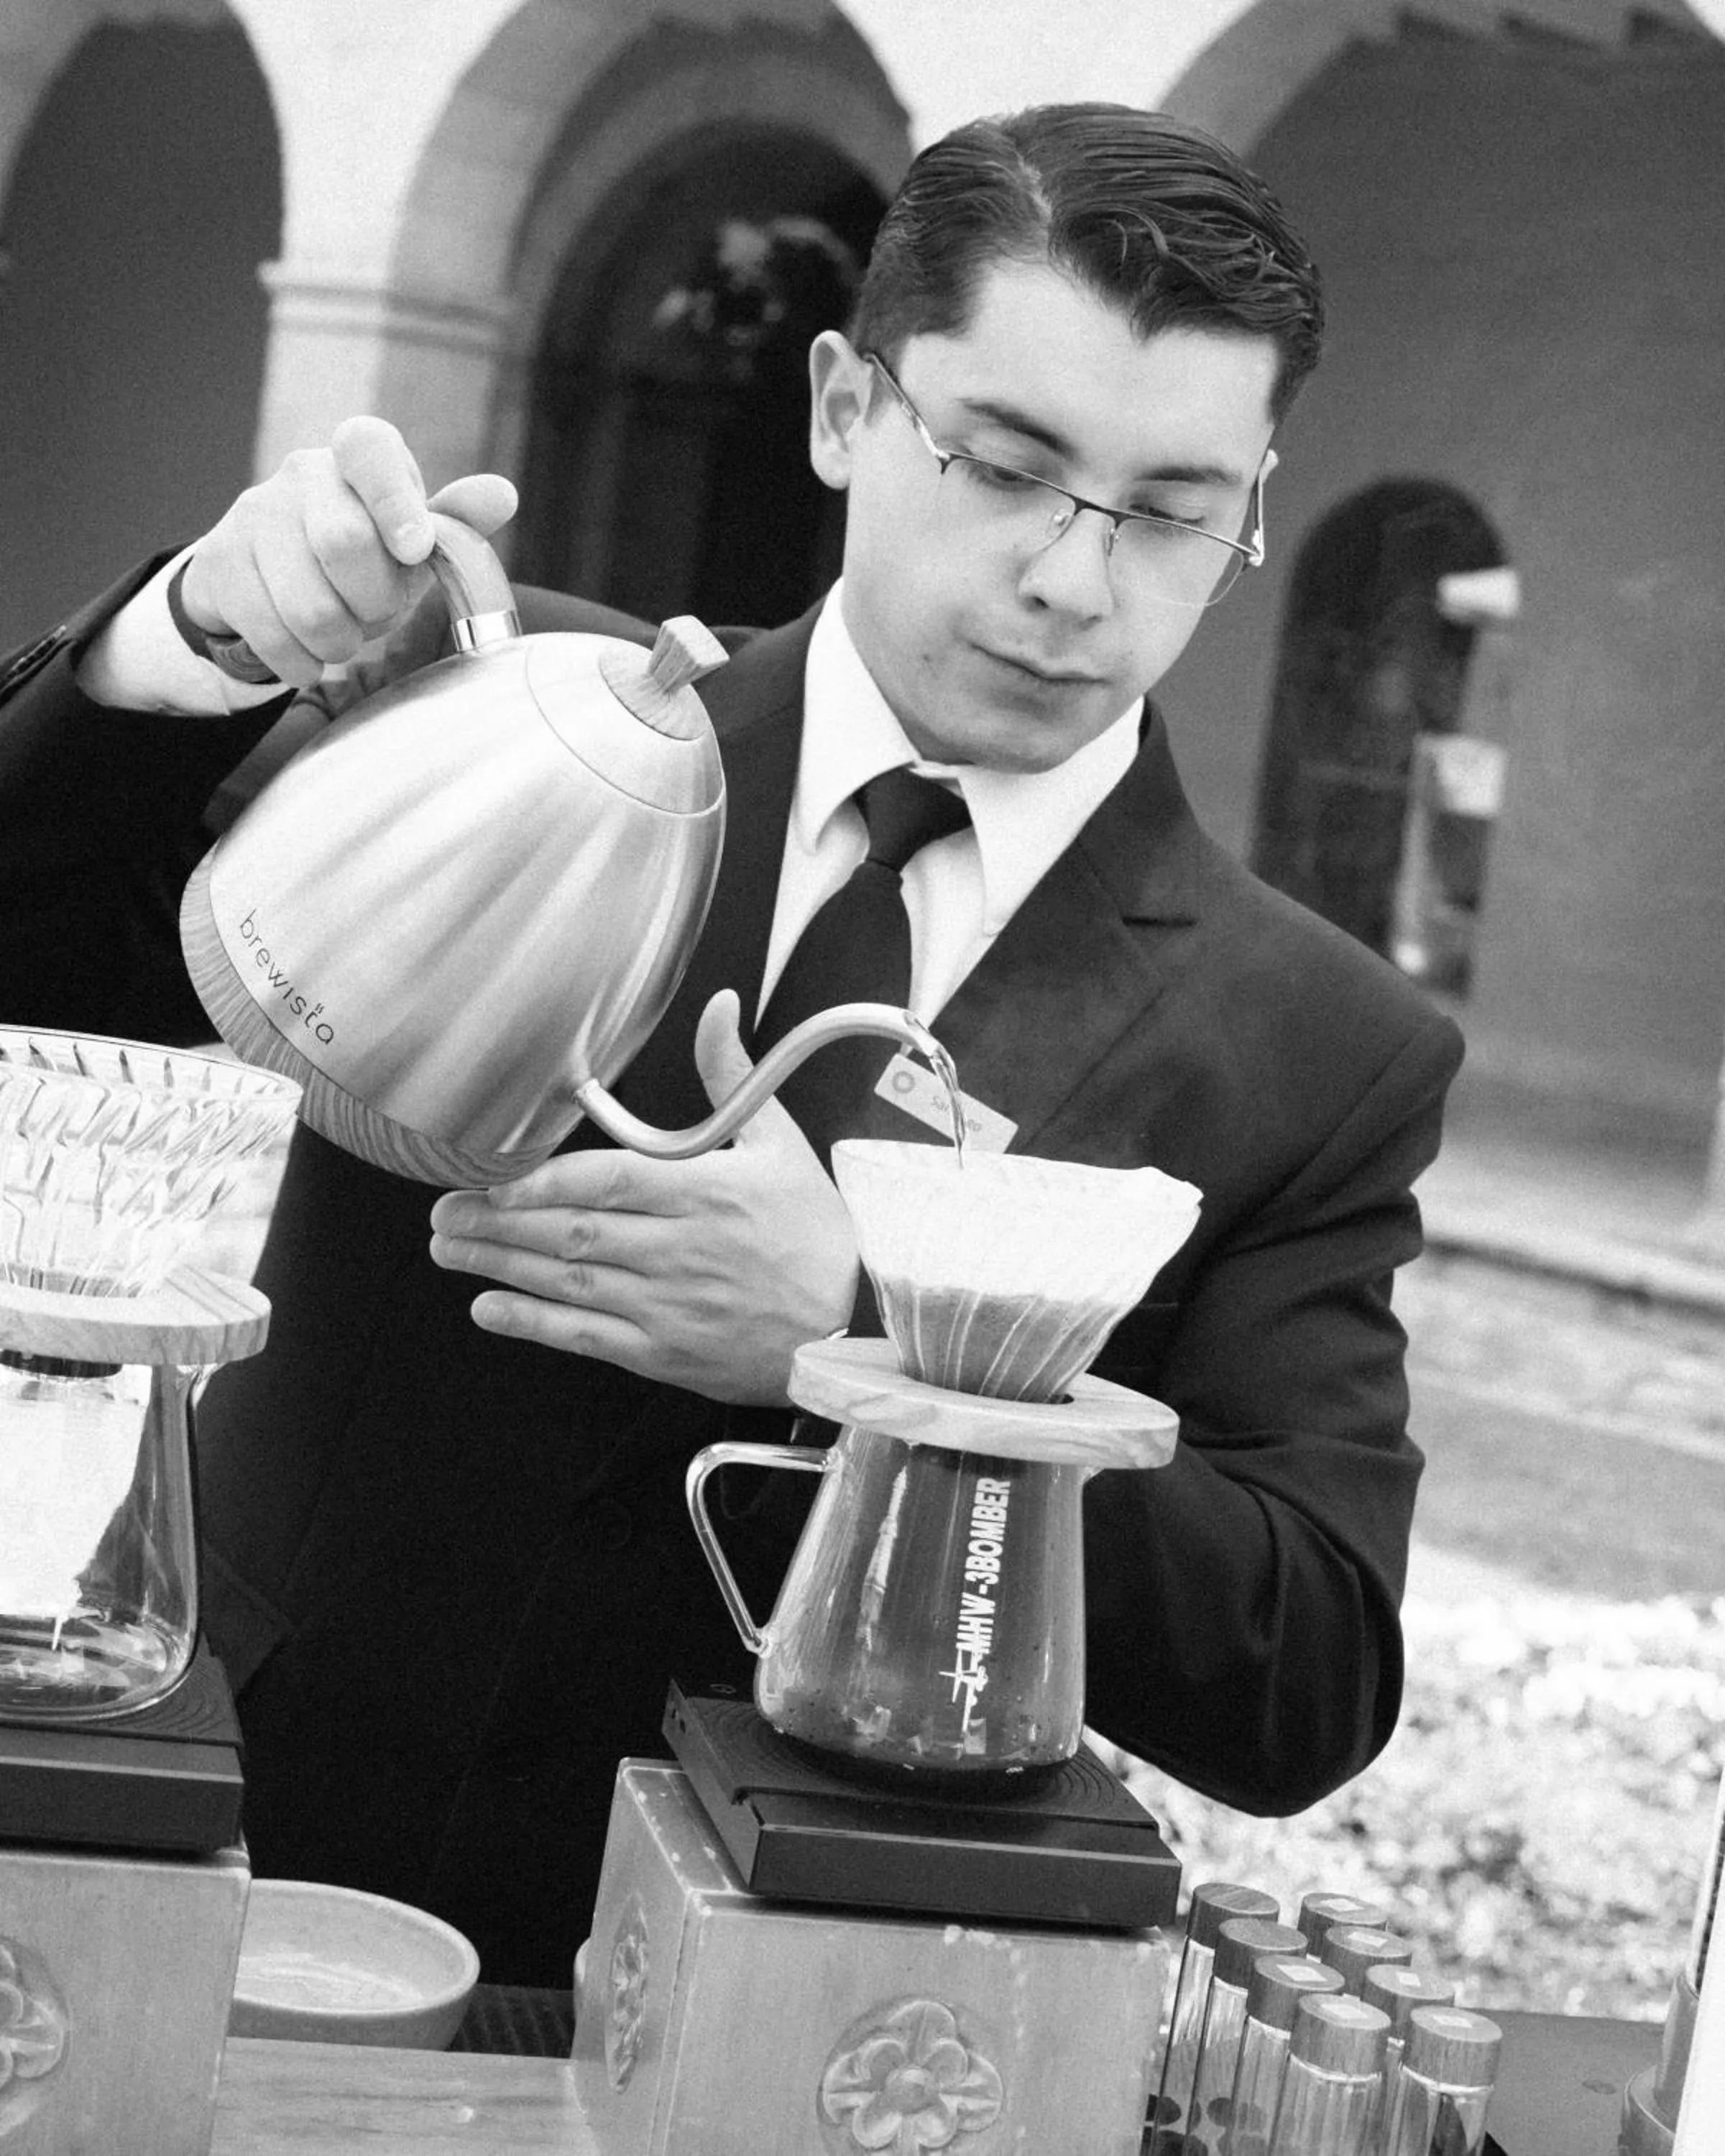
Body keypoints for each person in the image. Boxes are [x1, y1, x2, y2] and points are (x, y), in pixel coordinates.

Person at [0, 104, 1462, 1985]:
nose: (1074, 582)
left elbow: (1306, 1671)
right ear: (846, 407)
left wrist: (864, 1345)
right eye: (1006, 466)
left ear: (1252, 507)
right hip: (240, 1845)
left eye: (1172, 509)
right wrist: (191, 643)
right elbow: (41, 956)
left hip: (818, 1988)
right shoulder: (506, 703)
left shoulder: (1322, 1048)